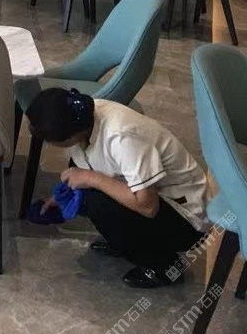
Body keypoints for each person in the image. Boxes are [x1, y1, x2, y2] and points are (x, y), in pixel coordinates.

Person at [26, 87, 208, 289]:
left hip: (186, 219)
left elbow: (148, 206)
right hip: (154, 195)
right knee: (87, 194)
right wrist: (62, 197)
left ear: (71, 135)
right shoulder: (82, 117)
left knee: (96, 203)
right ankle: (126, 241)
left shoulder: (122, 136)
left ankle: (165, 266)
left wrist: (92, 178)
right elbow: (88, 164)